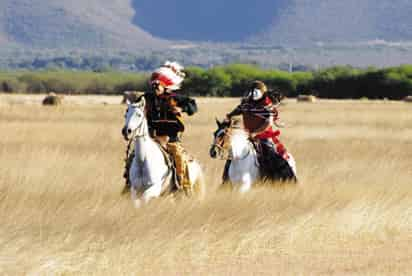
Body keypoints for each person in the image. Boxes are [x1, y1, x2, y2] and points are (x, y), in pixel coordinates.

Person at [123, 61, 198, 193]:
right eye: (154, 85)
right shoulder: (146, 98)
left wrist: (182, 108)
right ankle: (128, 183)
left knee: (179, 157)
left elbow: (193, 105)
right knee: (132, 156)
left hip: (171, 137)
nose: (155, 87)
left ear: (165, 86)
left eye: (158, 85)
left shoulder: (174, 98)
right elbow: (134, 108)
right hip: (151, 136)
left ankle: (182, 185)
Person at [223, 80, 294, 182]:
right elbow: (236, 111)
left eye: (256, 91)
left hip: (264, 136)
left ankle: (278, 178)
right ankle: (226, 180)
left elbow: (268, 123)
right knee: (233, 154)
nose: (253, 94)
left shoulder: (267, 105)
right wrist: (229, 116)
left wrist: (255, 133)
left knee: (270, 154)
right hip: (247, 136)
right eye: (252, 91)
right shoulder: (246, 103)